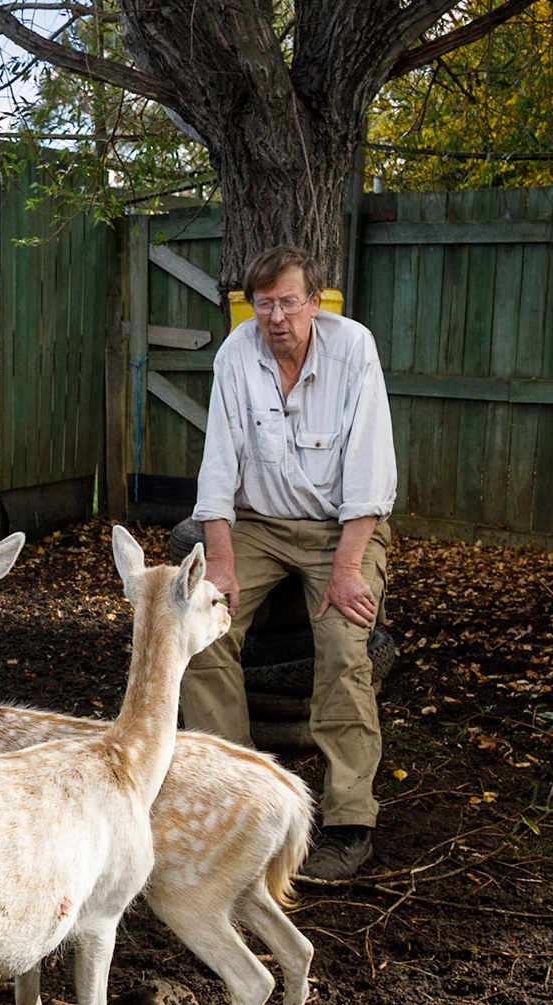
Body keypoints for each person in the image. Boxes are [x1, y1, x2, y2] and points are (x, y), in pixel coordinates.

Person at [183, 244, 397, 882]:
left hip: (342, 528)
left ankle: (349, 820)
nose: (276, 316)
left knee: (343, 644)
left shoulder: (353, 349)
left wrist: (349, 566)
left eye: (289, 302)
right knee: (201, 629)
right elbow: (217, 468)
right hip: (258, 525)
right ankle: (238, 799)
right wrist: (219, 561)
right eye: (264, 303)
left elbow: (370, 471)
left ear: (315, 301)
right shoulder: (235, 355)